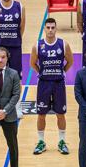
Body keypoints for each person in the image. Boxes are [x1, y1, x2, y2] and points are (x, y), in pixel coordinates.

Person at [30, 18, 74, 155]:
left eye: (52, 27)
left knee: (60, 113)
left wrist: (61, 72)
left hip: (58, 83)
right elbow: (33, 64)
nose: (50, 30)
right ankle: (41, 142)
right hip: (44, 83)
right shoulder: (37, 45)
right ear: (44, 29)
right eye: (48, 27)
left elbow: (70, 61)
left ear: (56, 28)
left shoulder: (63, 44)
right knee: (41, 114)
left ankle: (61, 141)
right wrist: (42, 73)